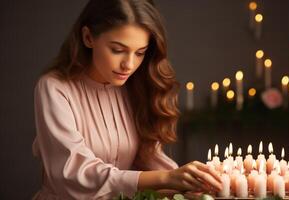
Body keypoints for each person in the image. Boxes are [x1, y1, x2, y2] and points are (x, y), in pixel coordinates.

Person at [32, 0, 222, 199]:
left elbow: (150, 160)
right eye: (117, 50)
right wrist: (165, 178)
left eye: (140, 53)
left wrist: (186, 187)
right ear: (88, 37)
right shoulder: (54, 87)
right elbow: (72, 173)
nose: (129, 65)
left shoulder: (135, 86)